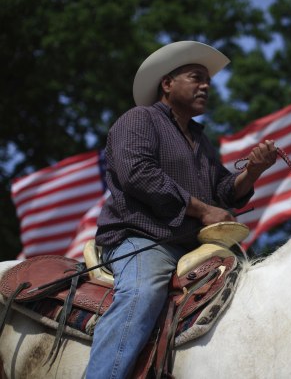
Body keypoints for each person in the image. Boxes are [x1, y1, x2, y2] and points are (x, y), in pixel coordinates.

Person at [86, 41, 277, 378]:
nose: (206, 85)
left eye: (208, 81)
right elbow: (137, 173)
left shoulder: (200, 141)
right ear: (167, 83)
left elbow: (223, 191)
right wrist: (203, 211)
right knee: (141, 295)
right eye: (196, 77)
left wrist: (254, 170)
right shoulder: (139, 119)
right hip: (142, 240)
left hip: (194, 247)